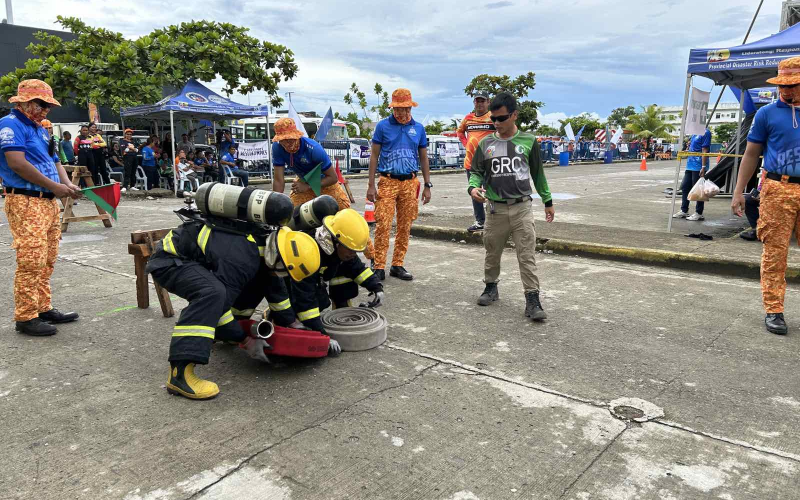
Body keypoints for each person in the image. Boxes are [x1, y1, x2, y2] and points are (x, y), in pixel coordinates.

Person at [146, 217, 321, 400]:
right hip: (170, 261)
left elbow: (275, 288)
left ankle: (223, 333)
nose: (282, 274)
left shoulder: (266, 247)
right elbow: (220, 309)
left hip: (189, 257)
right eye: (284, 270)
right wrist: (245, 339)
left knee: (254, 283)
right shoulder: (242, 259)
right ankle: (179, 374)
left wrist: (292, 324)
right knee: (212, 294)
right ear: (281, 258)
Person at [0, 79, 81, 336]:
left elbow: (56, 161)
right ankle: (25, 316)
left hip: (47, 202)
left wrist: (67, 185)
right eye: (41, 103)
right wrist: (54, 187)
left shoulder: (40, 129)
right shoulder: (9, 125)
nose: (45, 109)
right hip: (25, 201)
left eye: (48, 105)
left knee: (47, 259)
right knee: (31, 260)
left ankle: (43, 307)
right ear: (23, 101)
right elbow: (17, 164)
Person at [468, 92, 555, 321]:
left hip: (522, 207)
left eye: (501, 118)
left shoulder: (528, 141)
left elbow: (538, 173)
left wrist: (548, 201)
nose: (496, 123)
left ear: (514, 115)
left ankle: (532, 299)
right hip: (495, 209)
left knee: (526, 254)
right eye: (493, 119)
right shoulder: (486, 143)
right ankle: (490, 287)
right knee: (492, 251)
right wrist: (473, 188)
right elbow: (476, 171)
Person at [732, 55, 800, 336]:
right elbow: (750, 154)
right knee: (774, 253)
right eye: (783, 85)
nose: (787, 90)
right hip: (777, 188)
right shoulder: (766, 114)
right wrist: (738, 191)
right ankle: (774, 310)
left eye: (794, 84)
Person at [366, 88, 432, 282]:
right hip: (387, 181)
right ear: (392, 108)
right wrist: (371, 185)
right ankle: (378, 265)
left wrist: (427, 185)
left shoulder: (418, 128)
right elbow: (374, 155)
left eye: (404, 109)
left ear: (410, 107)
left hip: (410, 183)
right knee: (383, 224)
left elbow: (424, 157)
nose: (401, 112)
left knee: (405, 225)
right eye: (397, 109)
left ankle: (397, 264)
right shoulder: (382, 126)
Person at [289, 209, 384, 333]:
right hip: (290, 284)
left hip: (315, 277)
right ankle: (287, 318)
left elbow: (357, 268)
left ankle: (341, 303)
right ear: (336, 242)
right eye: (351, 250)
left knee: (346, 271)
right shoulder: (310, 254)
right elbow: (305, 296)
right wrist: (321, 333)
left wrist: (377, 287)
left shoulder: (340, 247)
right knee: (319, 302)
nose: (353, 254)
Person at [271, 118, 347, 207]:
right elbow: (278, 180)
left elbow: (333, 178)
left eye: (290, 138)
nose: (287, 143)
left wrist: (308, 186)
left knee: (341, 210)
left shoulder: (314, 149)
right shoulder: (277, 147)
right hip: (303, 181)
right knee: (293, 212)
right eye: (283, 140)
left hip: (325, 182)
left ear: (296, 135)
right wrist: (275, 202)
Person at [457, 90, 495, 233]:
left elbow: (501, 133)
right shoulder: (468, 118)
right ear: (474, 102)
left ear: (488, 102)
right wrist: (466, 143)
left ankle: (494, 223)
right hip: (471, 163)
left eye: (482, 101)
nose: (479, 103)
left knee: (492, 193)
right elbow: (460, 132)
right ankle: (480, 221)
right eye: (477, 101)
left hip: (489, 163)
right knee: (475, 193)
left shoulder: (492, 117)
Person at [673, 128, 711, 221]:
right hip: (690, 165)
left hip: (698, 166)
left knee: (698, 190)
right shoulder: (694, 133)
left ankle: (699, 213)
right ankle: (684, 210)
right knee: (685, 187)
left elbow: (704, 150)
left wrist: (703, 166)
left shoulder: (706, 132)